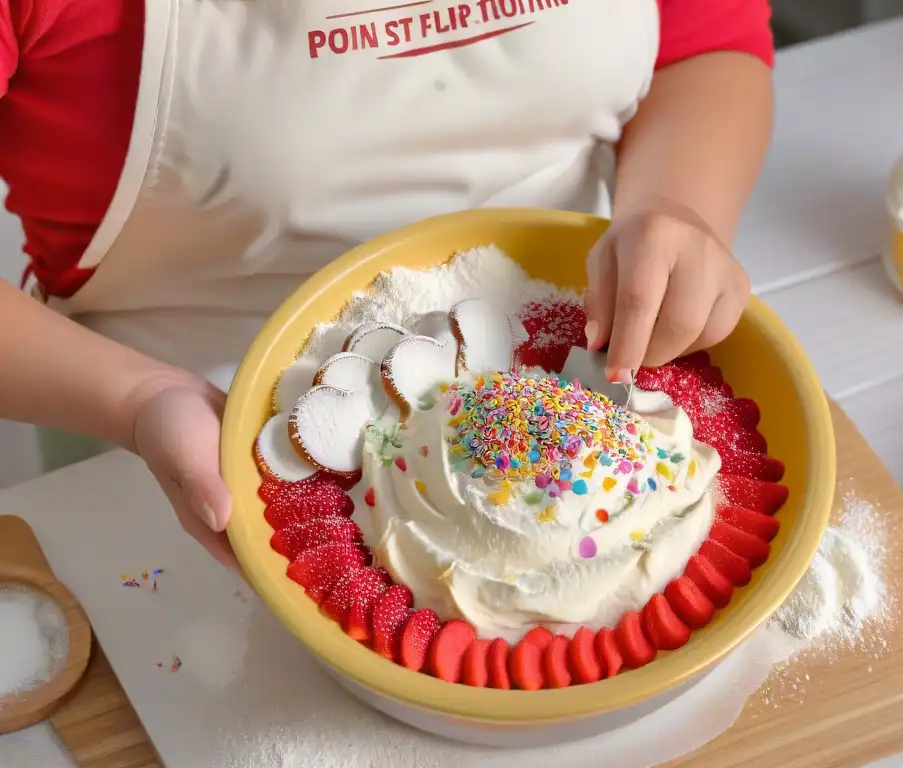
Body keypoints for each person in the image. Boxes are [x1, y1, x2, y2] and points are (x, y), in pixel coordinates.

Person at [0, 0, 775, 570]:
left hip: (584, 368)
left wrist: (676, 208)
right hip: (177, 437)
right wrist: (138, 401)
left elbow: (702, 42)